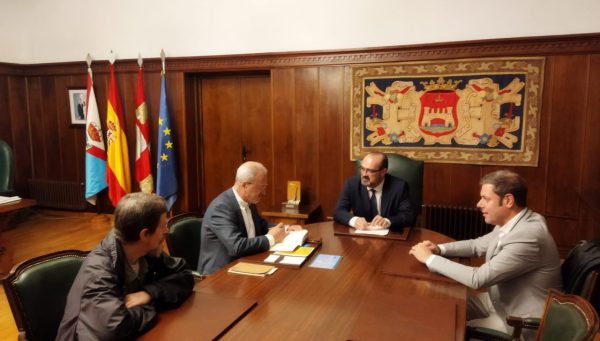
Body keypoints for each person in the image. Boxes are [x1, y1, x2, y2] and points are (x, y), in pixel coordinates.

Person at [409, 170, 562, 339]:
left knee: (449, 328)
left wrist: (429, 258)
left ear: (508, 200)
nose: (478, 204)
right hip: (496, 301)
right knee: (439, 305)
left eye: (486, 199)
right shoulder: (516, 221)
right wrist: (439, 249)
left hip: (517, 322)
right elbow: (477, 245)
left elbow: (478, 278)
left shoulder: (527, 236)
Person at [56, 193, 194, 340]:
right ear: (145, 234)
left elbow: (185, 275)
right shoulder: (99, 272)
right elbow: (115, 328)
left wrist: (149, 293)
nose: (167, 231)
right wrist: (151, 305)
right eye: (162, 226)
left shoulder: (146, 251)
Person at [197, 161, 300, 275]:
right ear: (245, 185)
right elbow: (236, 246)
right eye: (261, 187)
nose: (264, 192)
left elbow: (261, 225)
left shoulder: (249, 200)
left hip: (246, 263)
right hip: (220, 275)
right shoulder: (221, 207)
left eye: (265, 187)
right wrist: (270, 238)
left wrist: (284, 229)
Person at [333, 152, 414, 232]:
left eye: (370, 171)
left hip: (390, 237)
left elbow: (408, 216)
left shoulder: (399, 186)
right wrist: (354, 220)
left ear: (383, 172)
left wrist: (388, 221)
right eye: (362, 169)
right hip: (361, 236)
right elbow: (338, 211)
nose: (364, 174)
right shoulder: (351, 184)